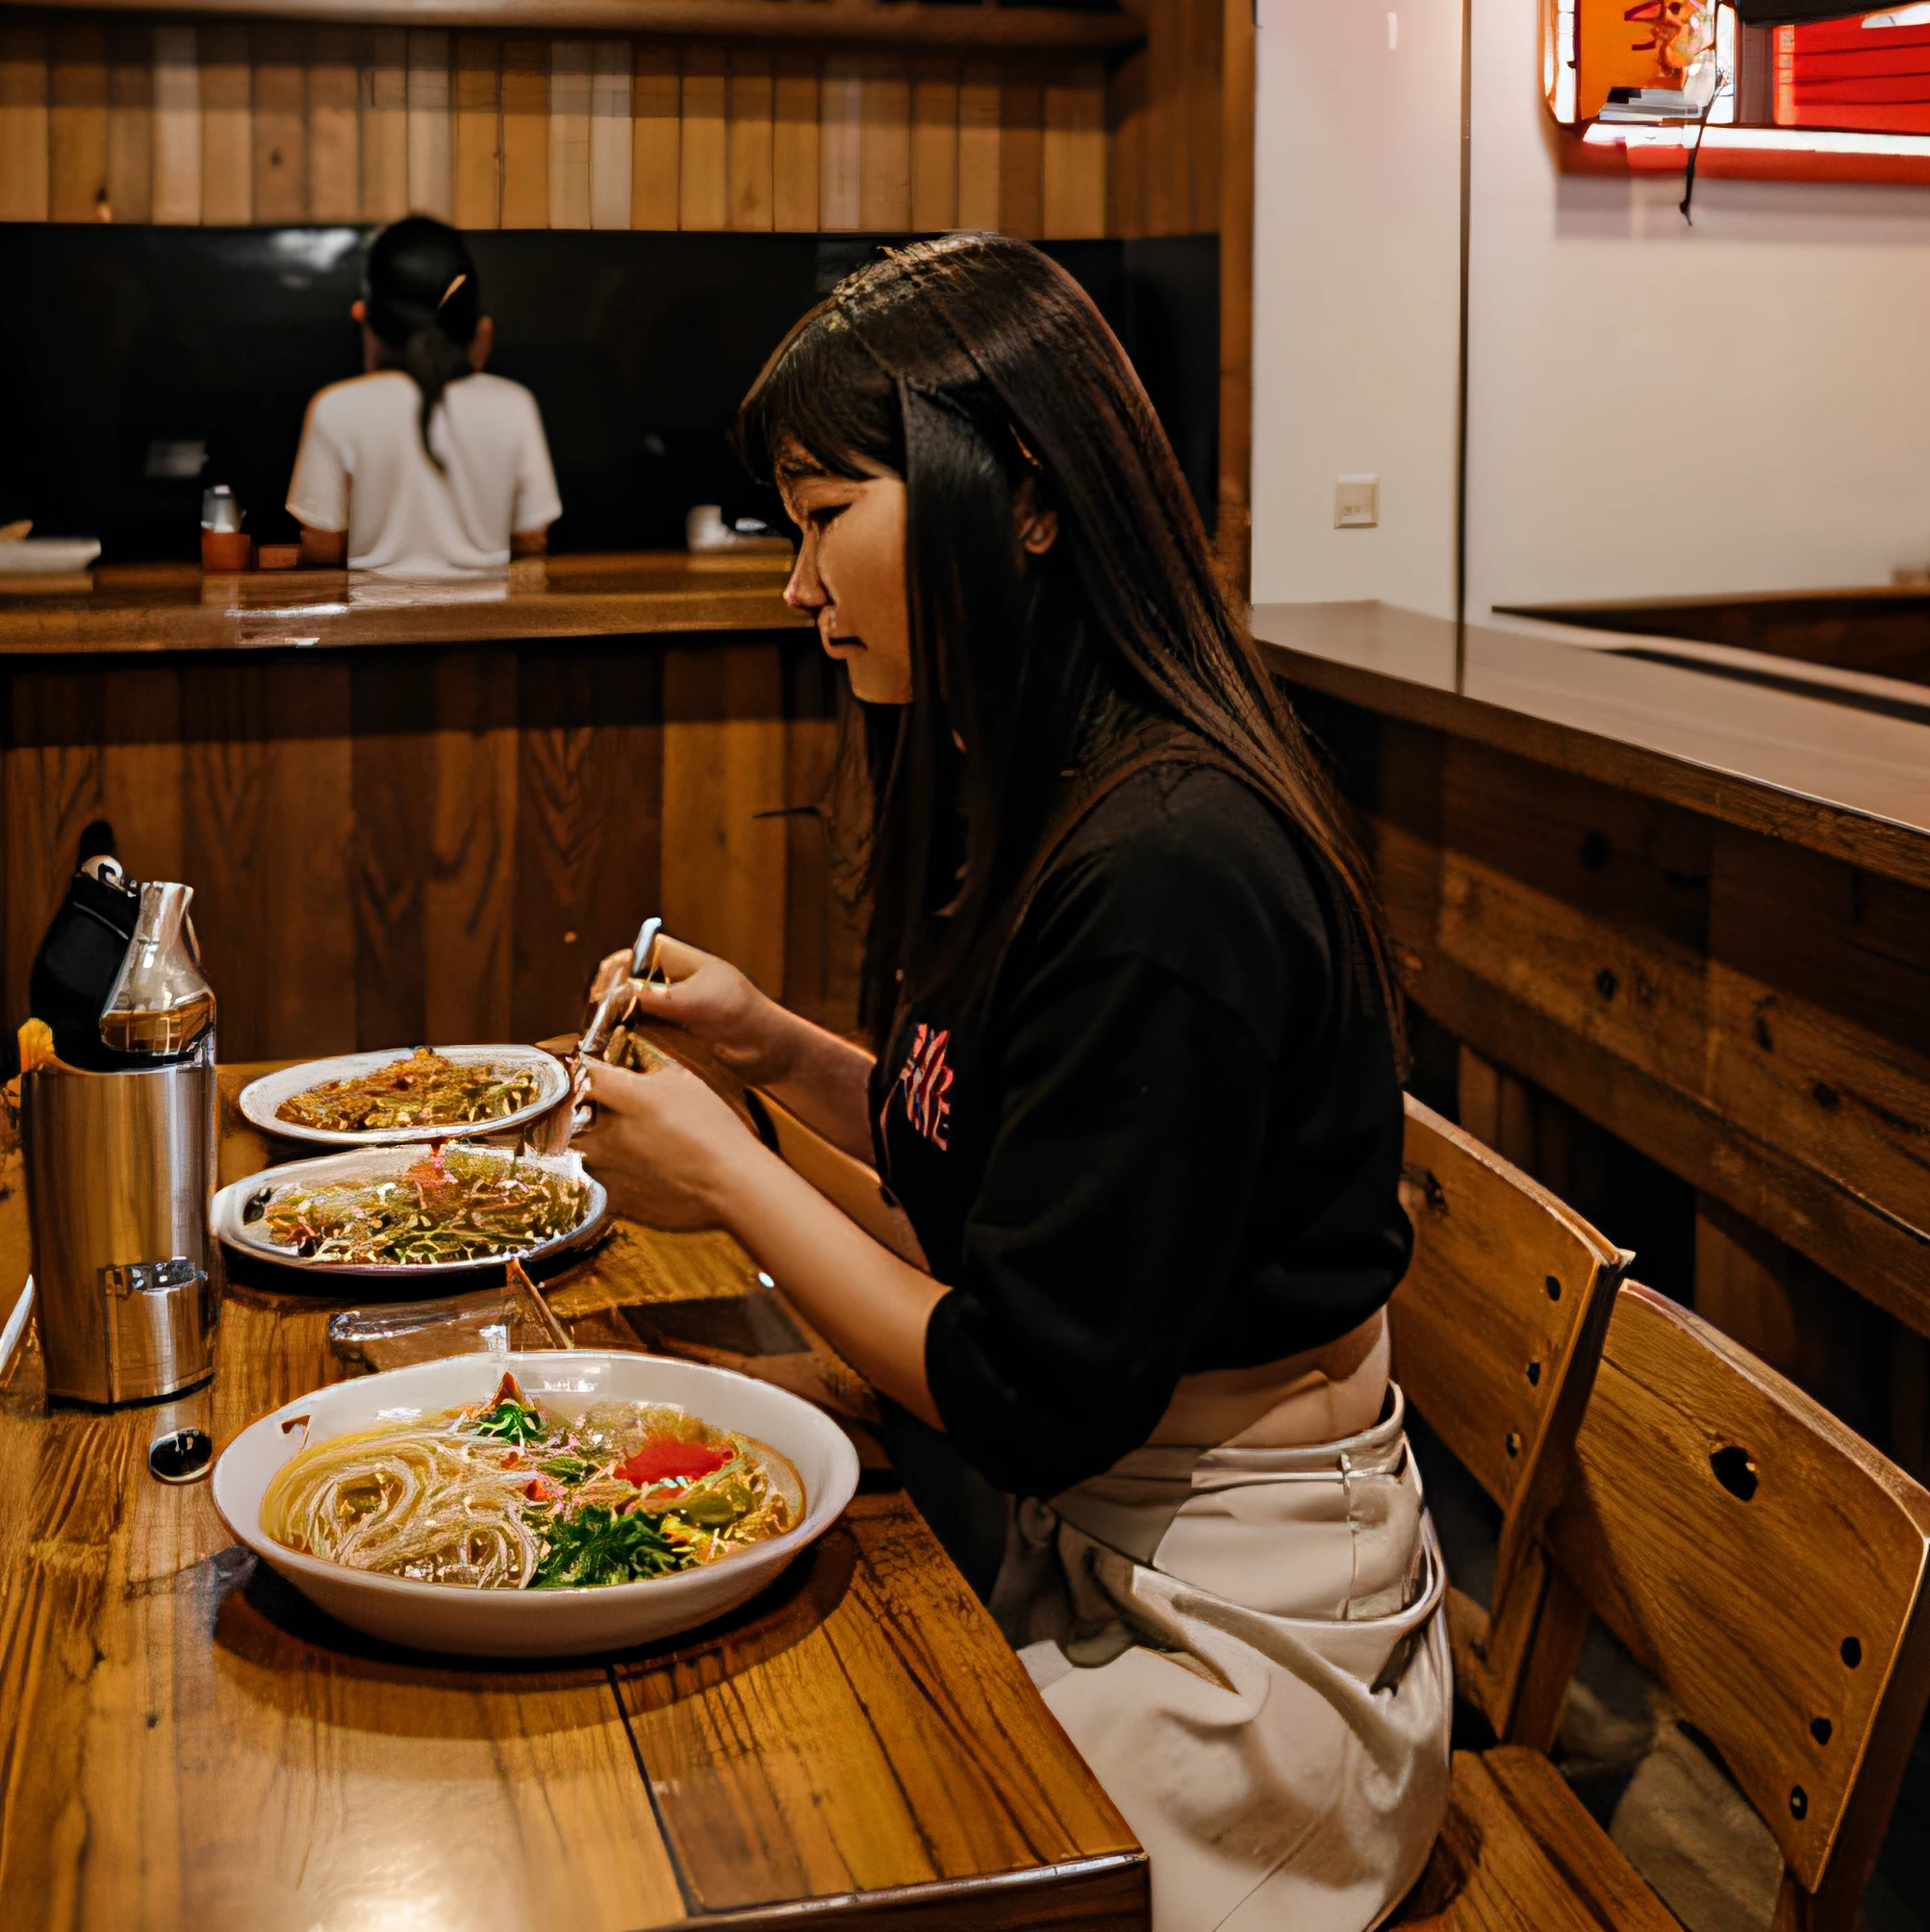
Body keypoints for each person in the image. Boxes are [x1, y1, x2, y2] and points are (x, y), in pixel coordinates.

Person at [580, 235, 1448, 1932]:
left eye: (824, 518)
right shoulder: (1039, 782)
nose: (793, 584)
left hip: (1255, 1665)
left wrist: (734, 1172)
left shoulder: (1170, 864)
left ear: (1025, 498)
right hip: (1108, 1548)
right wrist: (766, 1048)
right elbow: (1003, 1145)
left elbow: (1025, 1383)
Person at [286, 216, 560, 580]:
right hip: (485, 632)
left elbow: (323, 548)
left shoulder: (336, 409)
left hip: (372, 633)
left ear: (367, 317)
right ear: (473, 324)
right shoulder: (514, 405)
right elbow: (531, 539)